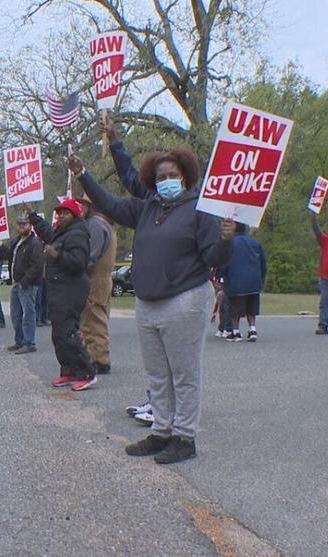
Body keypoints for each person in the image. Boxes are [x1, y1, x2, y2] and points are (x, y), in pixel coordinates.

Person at [70, 147, 235, 464]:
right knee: (158, 374)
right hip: (148, 304)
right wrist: (82, 175)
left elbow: (214, 257)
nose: (167, 180)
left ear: (185, 177)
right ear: (153, 181)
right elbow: (109, 204)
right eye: (161, 177)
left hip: (185, 300)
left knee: (184, 375)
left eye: (173, 175)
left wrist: (227, 239)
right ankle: (161, 431)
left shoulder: (200, 210)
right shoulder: (147, 208)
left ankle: (184, 437)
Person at [28, 199, 96, 391]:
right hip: (59, 289)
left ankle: (86, 373)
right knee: (59, 335)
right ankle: (69, 371)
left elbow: (79, 263)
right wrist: (33, 216)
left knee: (68, 334)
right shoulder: (62, 232)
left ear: (74, 215)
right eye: (59, 213)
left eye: (65, 213)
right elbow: (47, 233)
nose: (60, 216)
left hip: (71, 290)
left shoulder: (78, 234)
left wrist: (57, 256)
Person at [75, 195, 117, 375]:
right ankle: (97, 355)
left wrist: (80, 272)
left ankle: (99, 360)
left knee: (93, 319)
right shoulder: (107, 225)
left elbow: (91, 254)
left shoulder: (94, 224)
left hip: (95, 278)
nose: (81, 208)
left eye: (85, 205)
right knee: (98, 316)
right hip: (104, 277)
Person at [0, 216, 44, 354]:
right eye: (19, 223)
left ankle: (29, 343)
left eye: (25, 224)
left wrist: (25, 281)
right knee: (15, 314)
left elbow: (37, 265)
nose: (22, 226)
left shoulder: (35, 243)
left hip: (27, 284)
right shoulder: (17, 241)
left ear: (30, 225)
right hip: (17, 283)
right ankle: (19, 341)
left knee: (28, 314)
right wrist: (0, 246)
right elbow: (8, 255)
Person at [221, 223, 267, 342]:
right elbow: (263, 263)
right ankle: (252, 329)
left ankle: (236, 332)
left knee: (234, 308)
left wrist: (221, 276)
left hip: (235, 280)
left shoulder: (230, 243)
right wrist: (261, 278)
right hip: (253, 280)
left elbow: (224, 262)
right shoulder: (255, 243)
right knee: (252, 306)